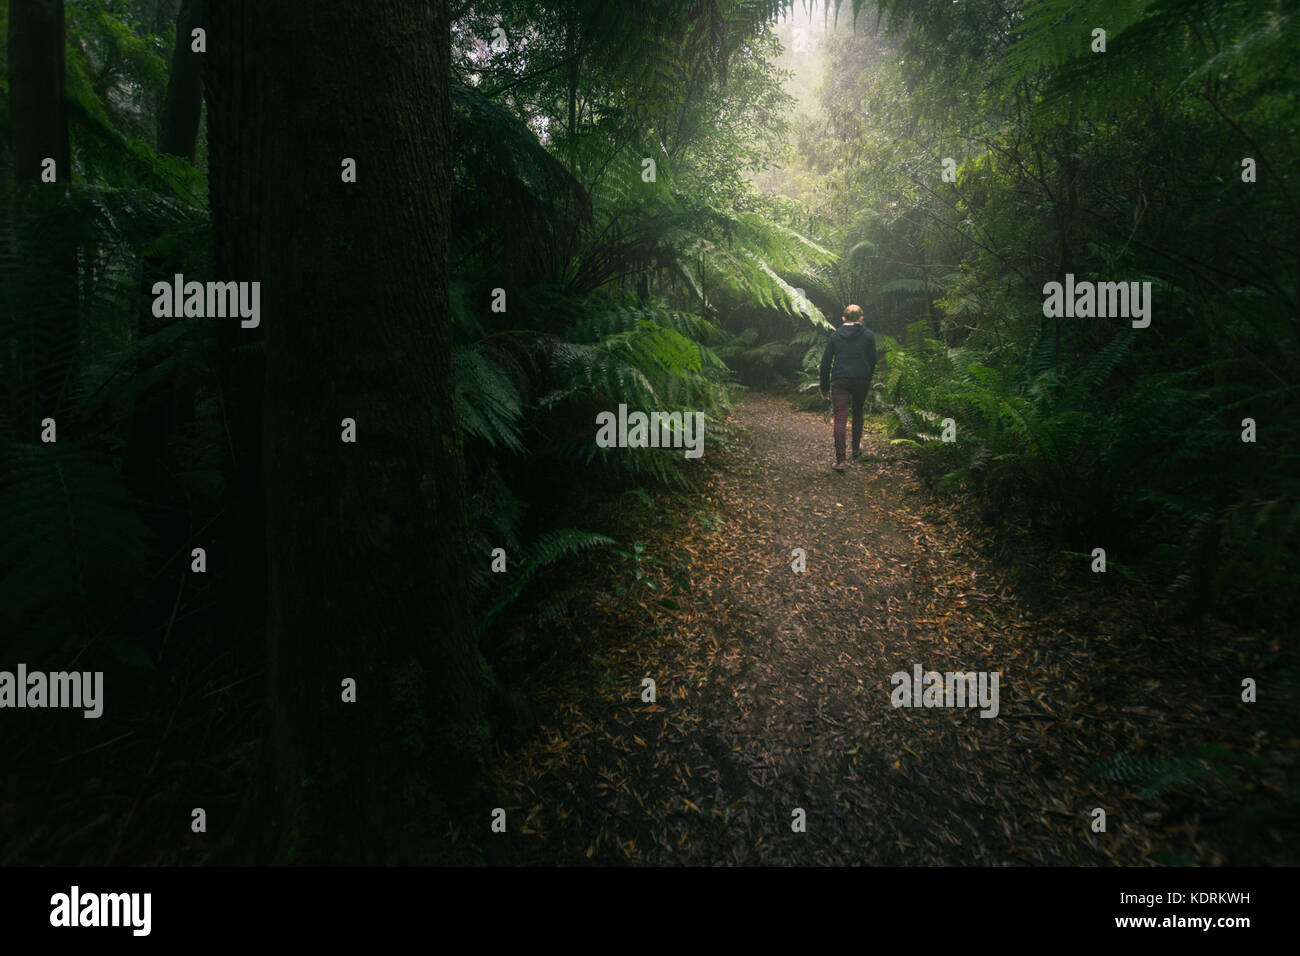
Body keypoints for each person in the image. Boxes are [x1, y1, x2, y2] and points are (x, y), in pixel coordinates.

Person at [819, 304, 877, 471]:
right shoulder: (868, 335)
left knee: (840, 418)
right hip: (861, 379)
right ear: (861, 318)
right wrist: (867, 377)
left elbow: (825, 364)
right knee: (858, 411)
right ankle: (856, 449)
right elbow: (873, 360)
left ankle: (840, 460)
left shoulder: (835, 336)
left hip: (840, 380)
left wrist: (824, 387)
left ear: (843, 318)